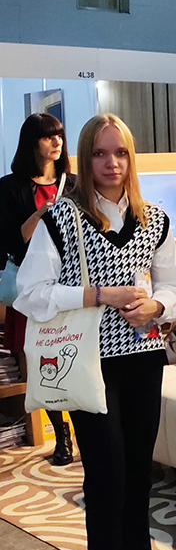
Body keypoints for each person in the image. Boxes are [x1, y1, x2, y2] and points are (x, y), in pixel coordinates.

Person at [16, 114, 176, 550]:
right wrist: (97, 295)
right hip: (86, 362)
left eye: (121, 153)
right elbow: (30, 293)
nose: (112, 163)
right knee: (107, 470)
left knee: (138, 468)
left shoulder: (154, 219)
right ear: (85, 158)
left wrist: (157, 306)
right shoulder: (61, 219)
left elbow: (175, 285)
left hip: (142, 356)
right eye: (99, 153)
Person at [0, 113, 77, 466]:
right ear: (32, 143)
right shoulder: (10, 187)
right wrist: (44, 212)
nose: (57, 142)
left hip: (72, 286)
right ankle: (61, 436)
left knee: (76, 357)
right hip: (33, 286)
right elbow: (11, 241)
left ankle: (85, 430)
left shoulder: (75, 184)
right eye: (48, 136)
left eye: (59, 135)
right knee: (43, 363)